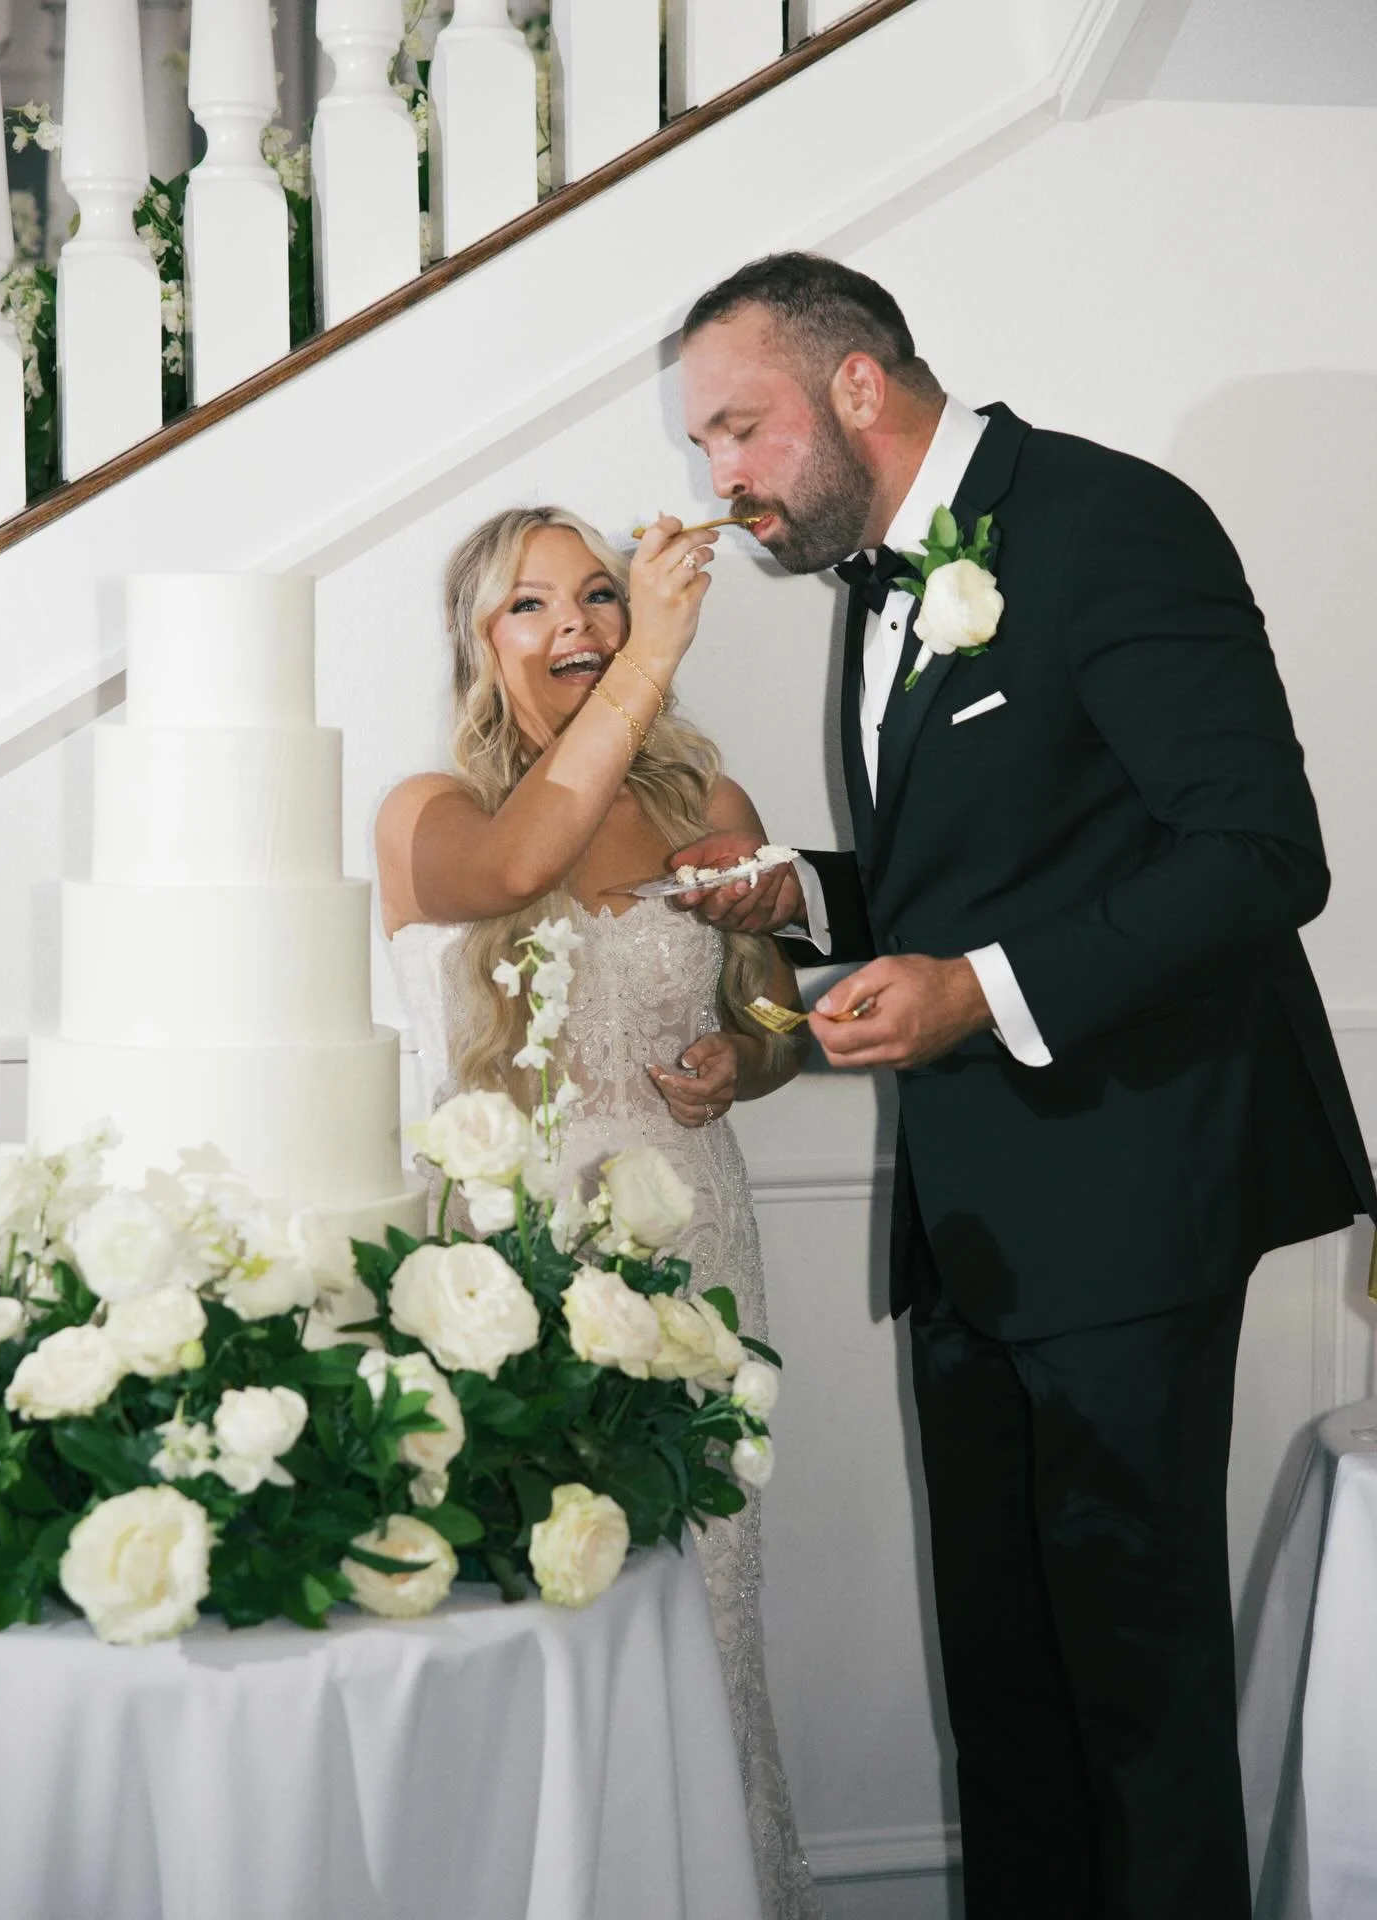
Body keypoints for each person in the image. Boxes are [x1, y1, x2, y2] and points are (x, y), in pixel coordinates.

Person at [667, 251, 1377, 1919]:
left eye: (740, 429)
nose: (723, 483)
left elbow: (1262, 854)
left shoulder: (1109, 521)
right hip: (976, 1217)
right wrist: (810, 898)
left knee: (1135, 1679)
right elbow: (991, 861)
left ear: (858, 386)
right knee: (1008, 1669)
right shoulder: (884, 575)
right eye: (706, 447)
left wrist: (976, 993)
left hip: (1129, 1193)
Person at [374, 504, 823, 1920]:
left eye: (599, 598)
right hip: (505, 1274)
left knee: (707, 1609)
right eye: (531, 606)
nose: (575, 625)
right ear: (477, 643)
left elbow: (776, 1013)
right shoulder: (431, 818)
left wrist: (745, 1055)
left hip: (697, 1250)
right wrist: (652, 660)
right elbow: (517, 872)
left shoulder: (718, 811)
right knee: (527, 1608)